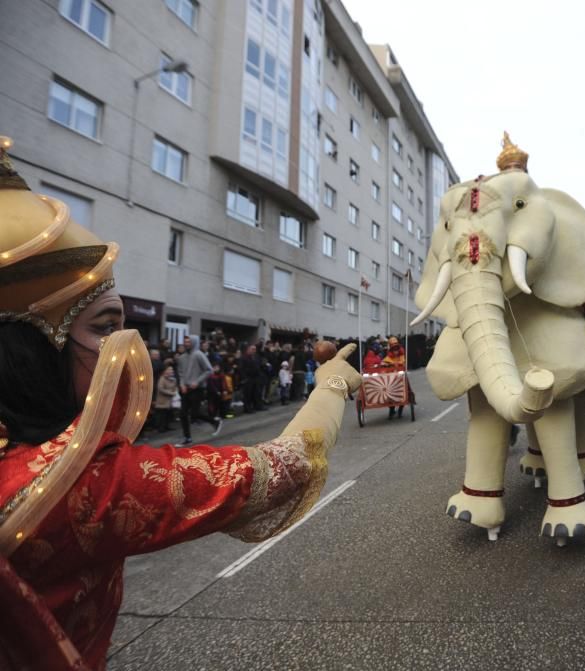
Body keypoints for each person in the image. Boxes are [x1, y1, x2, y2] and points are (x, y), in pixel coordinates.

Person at [0, 142, 362, 670]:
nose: (126, 346)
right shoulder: (76, 487)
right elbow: (286, 464)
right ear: (30, 348)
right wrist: (330, 385)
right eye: (104, 326)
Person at [176, 335, 220, 444]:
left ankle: (214, 421)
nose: (186, 344)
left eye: (188, 342)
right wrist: (182, 385)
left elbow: (209, 370)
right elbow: (181, 373)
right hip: (186, 389)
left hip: (198, 389)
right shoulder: (182, 358)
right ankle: (187, 438)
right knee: (182, 414)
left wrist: (197, 381)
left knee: (195, 414)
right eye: (185, 342)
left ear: (194, 343)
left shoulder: (199, 355)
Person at [154, 363, 178, 433]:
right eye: (169, 370)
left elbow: (175, 387)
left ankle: (167, 426)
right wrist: (171, 393)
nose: (171, 371)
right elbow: (160, 389)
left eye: (172, 369)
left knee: (168, 414)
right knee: (162, 416)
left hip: (169, 400)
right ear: (165, 371)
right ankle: (161, 428)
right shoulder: (162, 378)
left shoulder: (173, 379)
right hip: (162, 401)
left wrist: (175, 391)